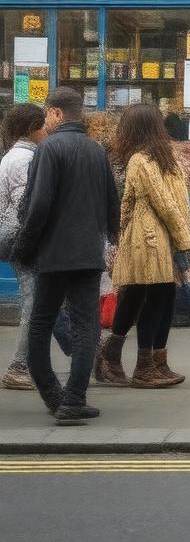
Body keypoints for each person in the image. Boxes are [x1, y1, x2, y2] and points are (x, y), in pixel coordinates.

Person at [11, 88, 120, 426]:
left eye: (47, 113)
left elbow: (38, 205)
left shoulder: (48, 149)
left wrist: (24, 246)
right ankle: (74, 398)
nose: (45, 118)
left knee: (41, 322)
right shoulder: (96, 151)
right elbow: (112, 204)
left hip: (53, 254)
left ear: (56, 114)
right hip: (88, 252)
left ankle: (53, 393)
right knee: (86, 325)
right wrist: (110, 241)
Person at [95, 104, 190, 388]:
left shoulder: (163, 158)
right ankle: (143, 366)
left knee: (159, 297)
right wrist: (184, 239)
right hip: (149, 238)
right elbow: (161, 202)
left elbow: (171, 202)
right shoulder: (141, 160)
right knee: (151, 296)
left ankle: (150, 361)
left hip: (163, 237)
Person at [0, 103, 65, 391]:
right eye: (42, 126)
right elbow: (28, 206)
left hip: (22, 239)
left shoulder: (18, 156)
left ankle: (86, 352)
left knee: (45, 300)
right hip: (26, 240)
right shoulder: (24, 160)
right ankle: (18, 366)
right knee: (35, 303)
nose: (46, 131)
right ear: (30, 129)